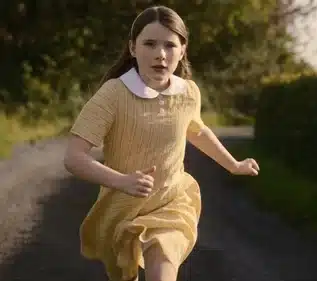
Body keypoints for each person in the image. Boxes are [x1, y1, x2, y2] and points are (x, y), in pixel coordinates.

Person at [63, 5, 260, 281]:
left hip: (172, 204)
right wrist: (122, 181)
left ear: (182, 50)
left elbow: (197, 130)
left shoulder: (188, 92)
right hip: (121, 209)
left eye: (170, 45)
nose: (160, 54)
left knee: (162, 265)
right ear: (133, 48)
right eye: (150, 44)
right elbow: (74, 157)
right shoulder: (113, 95)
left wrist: (234, 165)